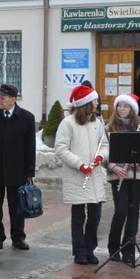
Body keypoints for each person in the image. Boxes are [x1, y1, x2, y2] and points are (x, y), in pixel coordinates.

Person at [54, 84, 109, 265]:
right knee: (79, 216)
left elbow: (104, 144)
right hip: (78, 175)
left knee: (95, 215)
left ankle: (90, 248)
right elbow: (61, 149)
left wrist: (101, 155)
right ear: (86, 103)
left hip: (94, 176)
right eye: (94, 100)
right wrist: (80, 164)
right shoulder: (67, 123)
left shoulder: (96, 123)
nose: (97, 103)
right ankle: (79, 252)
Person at [0, 83, 35, 251]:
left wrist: (29, 171)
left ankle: (18, 237)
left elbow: (30, 146)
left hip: (17, 170)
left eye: (2, 98)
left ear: (13, 99)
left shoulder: (27, 117)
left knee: (17, 207)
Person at [103, 93, 140, 266]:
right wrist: (113, 166)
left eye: (126, 106)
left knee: (133, 212)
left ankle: (128, 249)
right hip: (118, 174)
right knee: (121, 211)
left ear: (132, 109)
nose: (122, 108)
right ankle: (113, 246)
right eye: (119, 105)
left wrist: (137, 158)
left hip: (137, 175)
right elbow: (103, 152)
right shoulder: (109, 128)